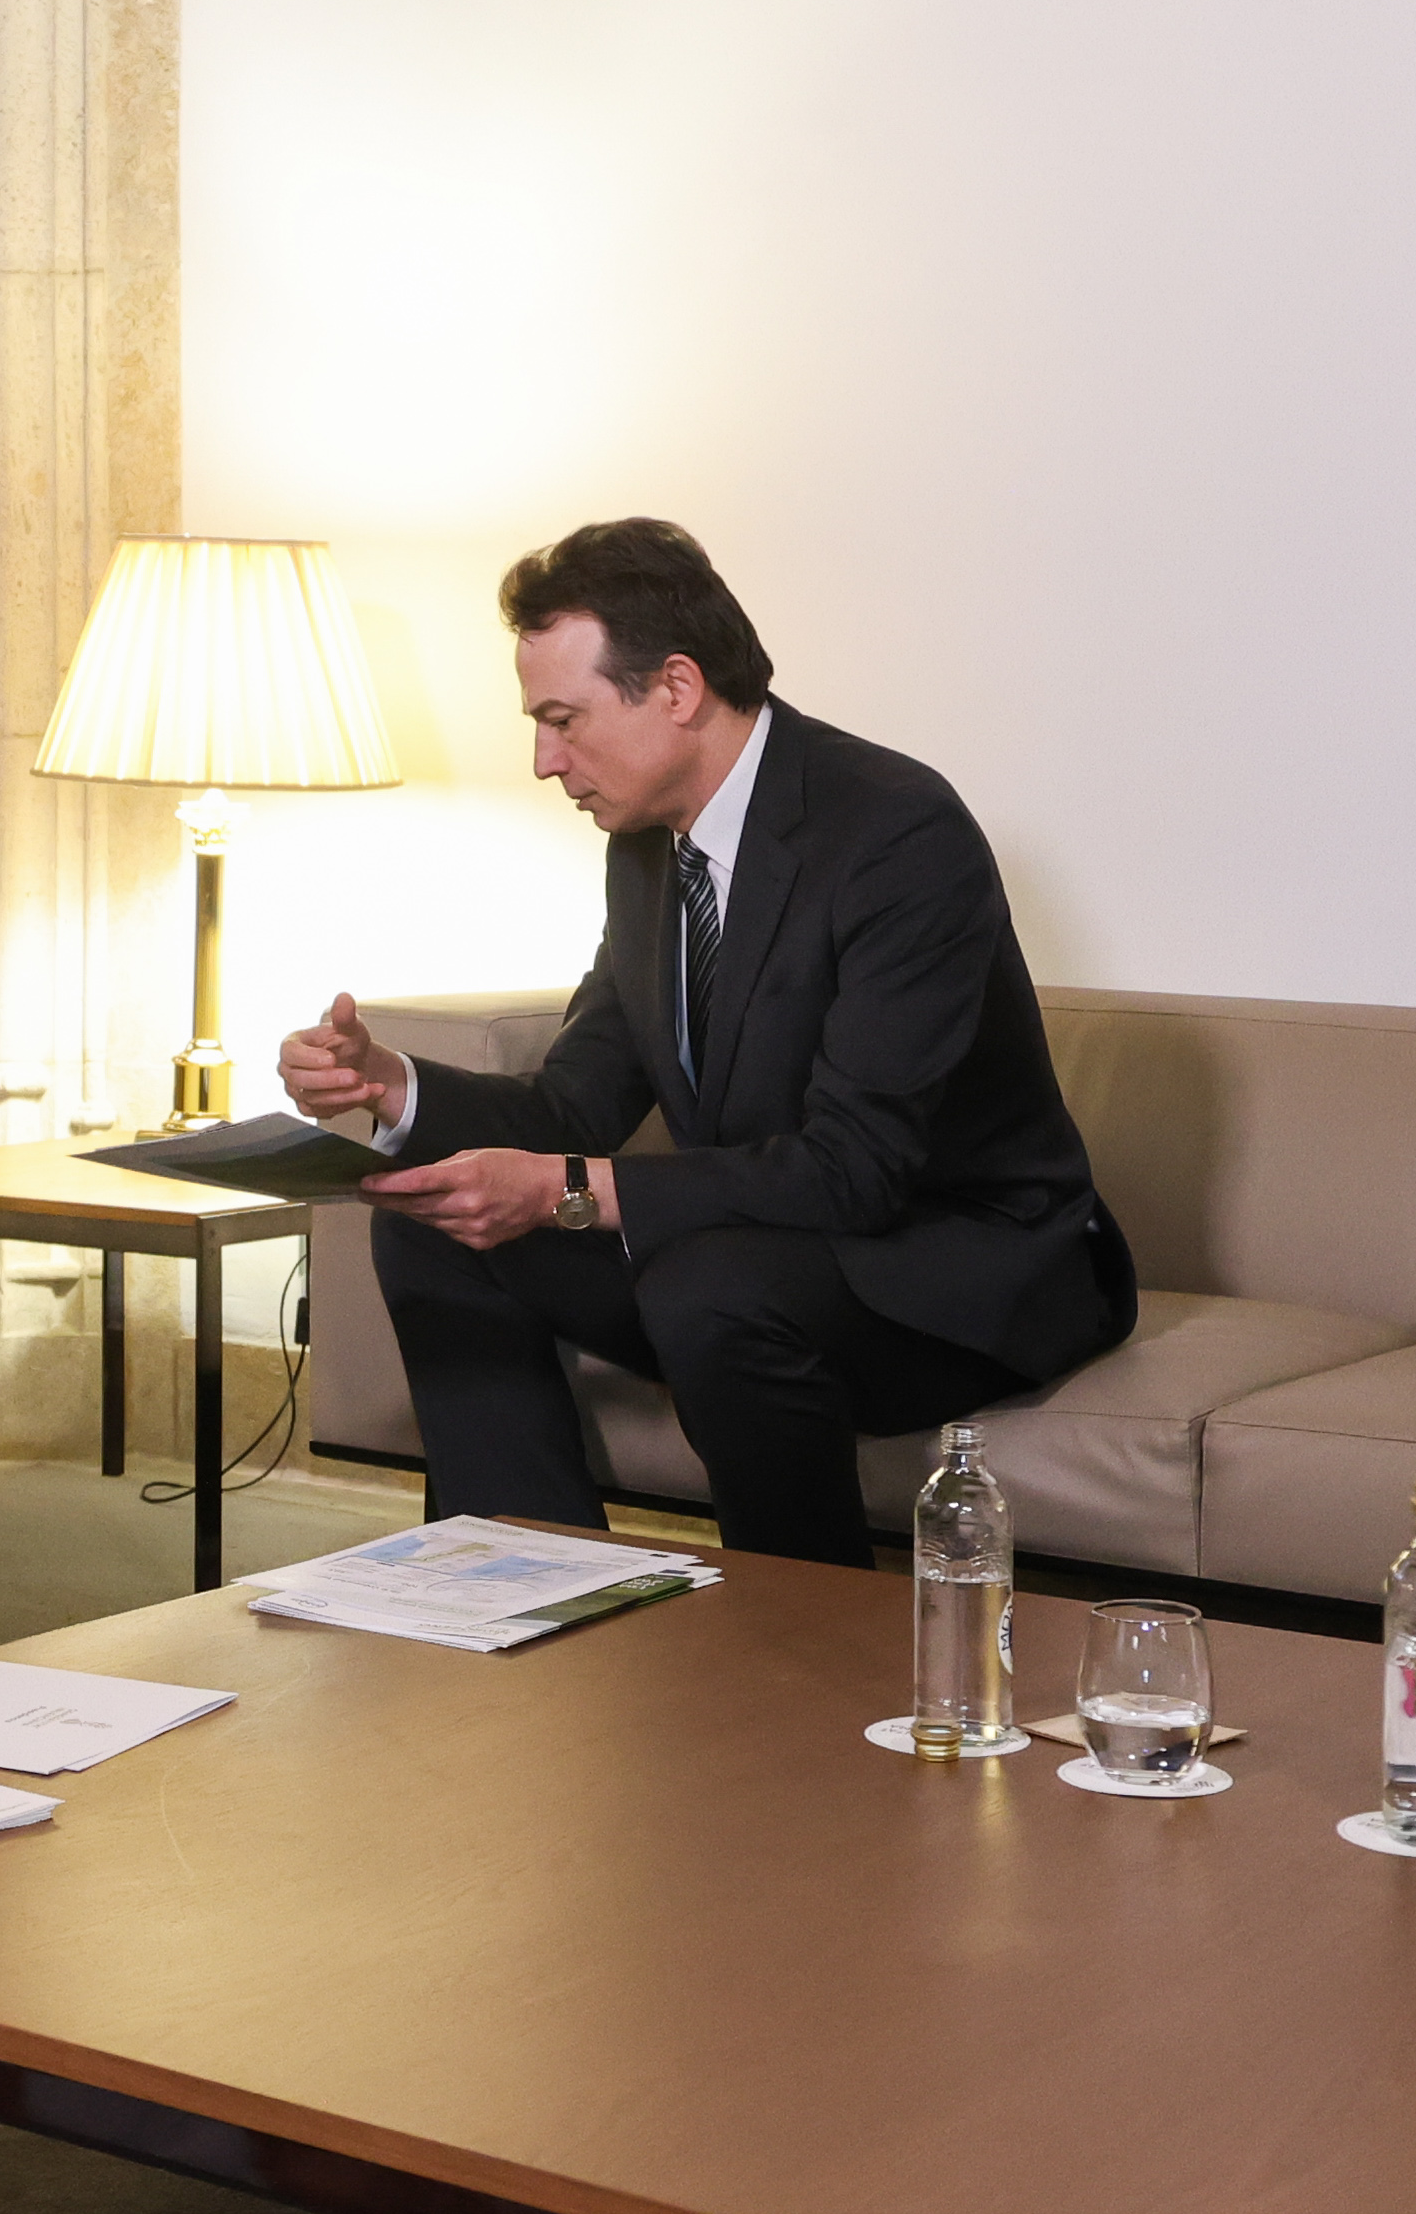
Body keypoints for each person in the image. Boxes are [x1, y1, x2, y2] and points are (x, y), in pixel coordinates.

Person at [277, 517, 1133, 1567]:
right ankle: (535, 1581)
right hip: (762, 1246)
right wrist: (387, 1084)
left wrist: (561, 1189)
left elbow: (855, 1170)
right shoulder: (647, 847)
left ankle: (802, 1629)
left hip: (952, 1264)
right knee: (437, 1220)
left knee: (711, 1287)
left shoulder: (895, 831)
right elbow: (573, 1104)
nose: (543, 760)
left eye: (561, 720)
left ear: (675, 687)